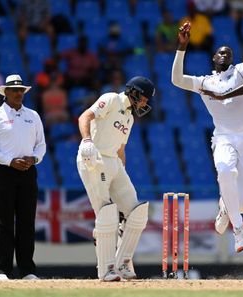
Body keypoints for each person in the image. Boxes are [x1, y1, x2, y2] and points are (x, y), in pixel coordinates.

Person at [171, 22, 243, 253]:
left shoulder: (241, 70)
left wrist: (225, 95)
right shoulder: (205, 83)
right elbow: (176, 80)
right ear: (214, 57)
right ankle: (239, 231)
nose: (226, 55)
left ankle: (226, 208)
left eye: (229, 53)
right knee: (224, 170)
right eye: (222, 52)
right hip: (223, 137)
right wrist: (181, 47)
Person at [76, 76, 154, 281]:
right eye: (145, 98)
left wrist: (122, 171)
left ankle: (124, 263)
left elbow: (121, 148)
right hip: (94, 157)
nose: (145, 103)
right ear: (135, 92)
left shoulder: (129, 117)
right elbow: (84, 116)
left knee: (136, 212)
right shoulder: (111, 99)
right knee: (107, 213)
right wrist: (86, 141)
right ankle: (106, 269)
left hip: (114, 162)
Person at [0, 74, 46, 280]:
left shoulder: (33, 116)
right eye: (15, 90)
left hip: (28, 171)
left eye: (21, 90)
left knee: (27, 222)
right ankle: (3, 271)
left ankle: (27, 270)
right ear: (5, 92)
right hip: (5, 172)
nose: (19, 93)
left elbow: (41, 145)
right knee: (6, 221)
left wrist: (33, 159)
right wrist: (10, 161)